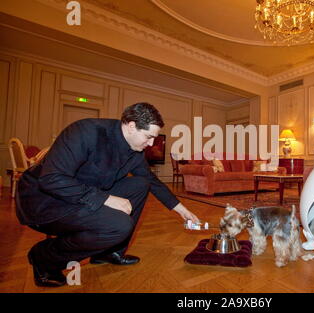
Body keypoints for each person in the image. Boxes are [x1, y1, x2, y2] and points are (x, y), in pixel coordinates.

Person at [16, 102, 200, 287]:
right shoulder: (86, 132)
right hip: (45, 202)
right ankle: (44, 257)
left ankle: (109, 252)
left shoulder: (135, 151)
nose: (151, 143)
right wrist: (106, 198)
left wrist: (181, 209)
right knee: (119, 225)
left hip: (83, 194)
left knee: (140, 184)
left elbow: (151, 181)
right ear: (131, 126)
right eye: (148, 136)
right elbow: (52, 179)